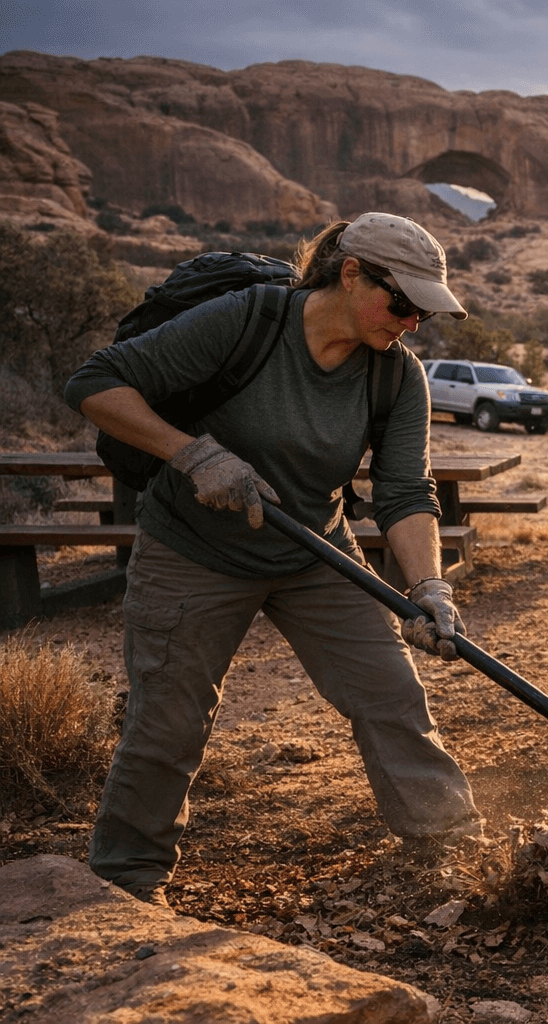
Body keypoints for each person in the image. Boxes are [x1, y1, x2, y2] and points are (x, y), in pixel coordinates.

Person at [65, 213, 483, 906]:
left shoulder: (396, 376)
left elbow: (407, 491)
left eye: (423, 312)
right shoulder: (247, 322)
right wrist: (193, 453)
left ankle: (451, 850)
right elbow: (95, 382)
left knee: (392, 694)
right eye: (402, 304)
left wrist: (429, 587)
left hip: (315, 549)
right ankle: (128, 882)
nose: (412, 324)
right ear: (351, 274)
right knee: (168, 723)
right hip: (191, 550)